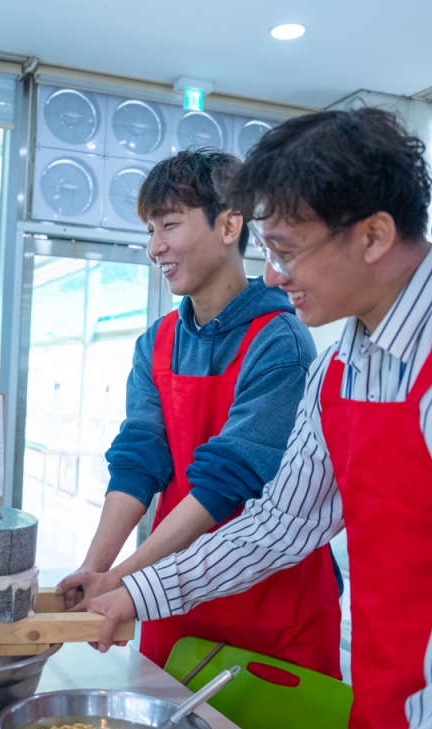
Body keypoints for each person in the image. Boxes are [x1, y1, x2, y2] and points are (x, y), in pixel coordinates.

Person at [88, 108, 432, 729]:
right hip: (384, 715)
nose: (272, 275)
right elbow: (280, 524)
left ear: (373, 235)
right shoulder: (339, 368)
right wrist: (134, 592)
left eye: (287, 252)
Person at [56, 148, 341, 676]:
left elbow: (225, 481)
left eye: (169, 225)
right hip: (168, 601)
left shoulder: (281, 341)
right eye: (150, 230)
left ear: (230, 225)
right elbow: (139, 462)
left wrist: (122, 578)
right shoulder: (157, 341)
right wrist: (94, 570)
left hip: (269, 607)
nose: (154, 247)